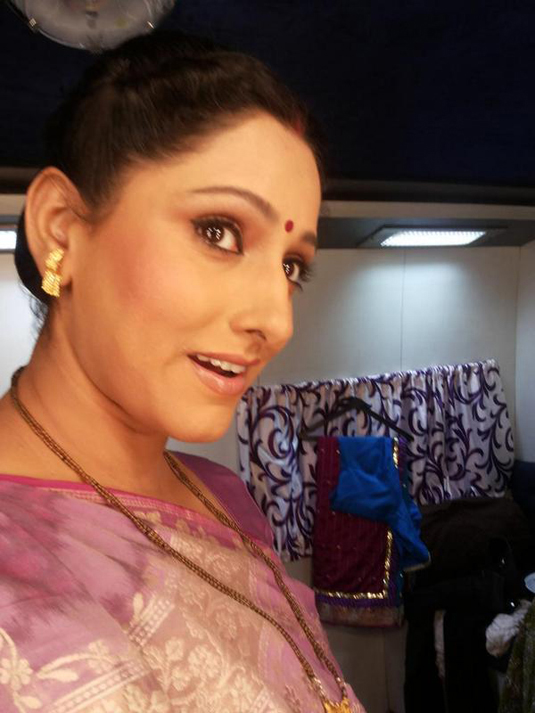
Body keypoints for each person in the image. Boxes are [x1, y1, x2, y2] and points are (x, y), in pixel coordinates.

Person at [0, 31, 364, 712]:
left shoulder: (221, 494)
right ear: (60, 228)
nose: (277, 321)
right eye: (219, 231)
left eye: (291, 267)